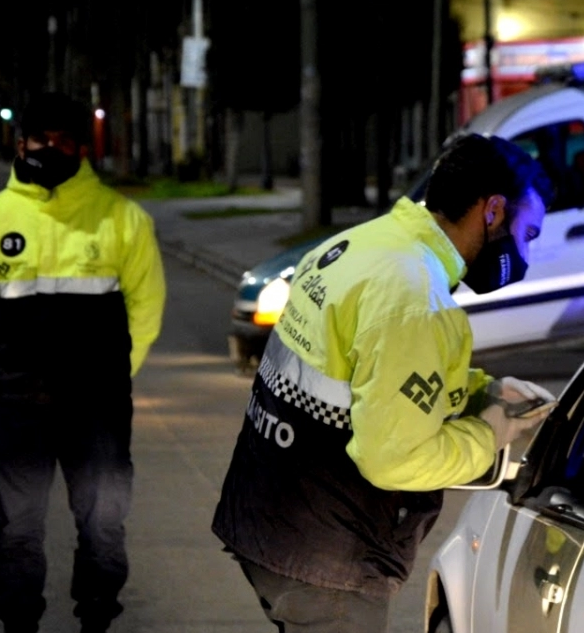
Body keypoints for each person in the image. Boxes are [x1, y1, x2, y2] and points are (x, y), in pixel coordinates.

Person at [212, 133, 558, 631]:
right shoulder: (415, 300)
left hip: (269, 517)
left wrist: (483, 391)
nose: (524, 256)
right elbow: (395, 460)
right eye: (528, 235)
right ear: (493, 211)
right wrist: (489, 435)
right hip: (326, 556)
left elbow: (376, 372)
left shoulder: (361, 244)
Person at [0, 92, 167, 633]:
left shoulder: (123, 220)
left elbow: (146, 309)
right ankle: (19, 622)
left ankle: (97, 618)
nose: (51, 148)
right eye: (40, 139)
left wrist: (112, 372)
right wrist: (14, 367)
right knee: (16, 529)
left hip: (96, 405)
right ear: (20, 143)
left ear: (81, 147)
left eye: (64, 140)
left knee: (102, 524)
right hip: (15, 407)